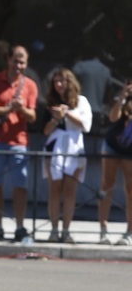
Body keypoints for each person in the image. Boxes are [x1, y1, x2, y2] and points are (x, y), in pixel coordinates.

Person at [0, 45, 38, 242]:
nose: (18, 65)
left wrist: (21, 109)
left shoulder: (30, 85)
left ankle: (20, 226)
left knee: (20, 186)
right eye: (16, 61)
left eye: (22, 62)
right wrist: (6, 109)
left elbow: (32, 116)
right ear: (8, 60)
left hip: (18, 142)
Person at [41, 68, 92, 243]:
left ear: (70, 82)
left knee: (70, 192)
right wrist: (55, 118)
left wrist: (67, 113)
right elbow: (45, 130)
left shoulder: (81, 102)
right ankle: (54, 230)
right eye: (56, 82)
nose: (59, 85)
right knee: (55, 190)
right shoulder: (51, 102)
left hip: (74, 151)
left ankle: (66, 231)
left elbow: (86, 125)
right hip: (54, 150)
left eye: (62, 81)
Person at [98, 80, 132, 246]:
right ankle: (103, 231)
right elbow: (113, 118)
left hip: (130, 150)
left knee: (130, 190)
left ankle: (129, 233)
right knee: (107, 186)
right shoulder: (122, 99)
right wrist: (122, 98)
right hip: (112, 145)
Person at [71, 46, 112, 117]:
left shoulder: (81, 65)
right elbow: (109, 90)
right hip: (96, 110)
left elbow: (71, 79)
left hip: (78, 106)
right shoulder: (106, 70)